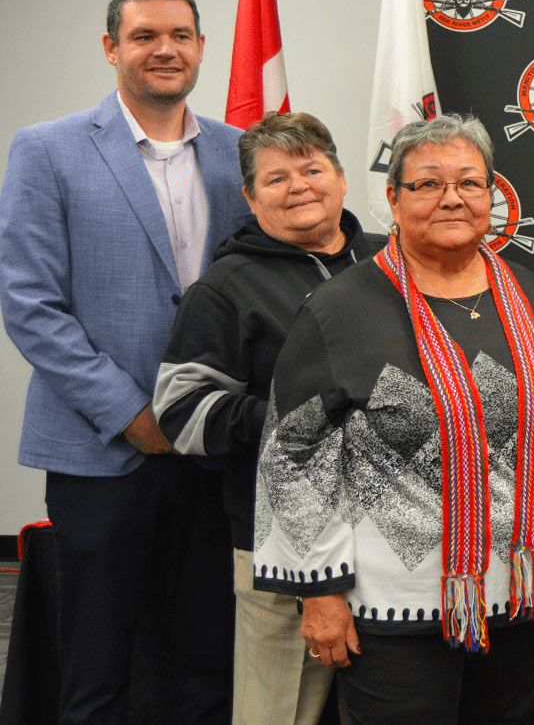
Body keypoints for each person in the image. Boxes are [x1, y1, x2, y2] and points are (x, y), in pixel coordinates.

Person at [252, 114, 534, 725]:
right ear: (393, 198)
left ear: (490, 195)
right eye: (428, 184)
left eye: (469, 182)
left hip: (525, 596)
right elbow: (293, 456)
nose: (452, 198)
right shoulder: (341, 309)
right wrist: (319, 589)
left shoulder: (532, 295)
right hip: (395, 610)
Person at [0, 0, 251, 725]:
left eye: (180, 35)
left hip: (213, 451)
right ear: (112, 48)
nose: (164, 49)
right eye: (144, 36)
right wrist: (130, 413)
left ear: (202, 48)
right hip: (101, 448)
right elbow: (29, 302)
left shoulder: (239, 153)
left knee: (207, 661)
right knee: (97, 669)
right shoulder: (47, 149)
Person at [152, 112, 385, 725]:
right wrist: (307, 423)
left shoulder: (394, 262)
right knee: (278, 712)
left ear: (340, 178)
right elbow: (181, 412)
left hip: (398, 536)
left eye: (312, 169)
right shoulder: (225, 288)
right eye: (277, 178)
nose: (299, 186)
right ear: (251, 198)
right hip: (280, 542)